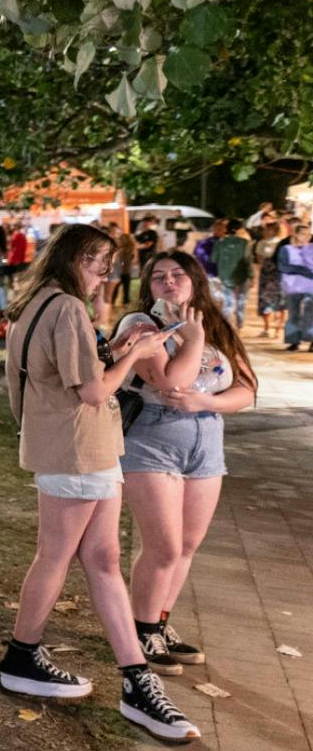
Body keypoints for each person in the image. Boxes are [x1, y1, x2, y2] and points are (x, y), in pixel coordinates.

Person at [0, 223, 197, 742]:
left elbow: (59, 372)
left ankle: (133, 678)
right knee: (58, 555)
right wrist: (136, 353)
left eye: (108, 264)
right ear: (72, 258)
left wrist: (118, 345)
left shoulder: (38, 302)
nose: (104, 273)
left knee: (100, 559)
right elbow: (92, 391)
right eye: (97, 262)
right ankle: (27, 657)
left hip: (75, 445)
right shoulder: (65, 306)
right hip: (78, 446)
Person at [116, 251, 257, 676]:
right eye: (158, 276)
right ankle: (142, 631)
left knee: (188, 545)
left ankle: (160, 623)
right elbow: (170, 381)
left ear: (196, 281)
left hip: (206, 440)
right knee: (164, 545)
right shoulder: (142, 325)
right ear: (148, 287)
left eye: (178, 274)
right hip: (153, 439)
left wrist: (205, 402)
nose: (169, 282)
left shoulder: (216, 325)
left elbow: (247, 389)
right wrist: (193, 341)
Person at [279, 222, 313, 351]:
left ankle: (312, 341)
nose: (306, 237)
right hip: (293, 287)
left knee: (311, 314)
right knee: (293, 314)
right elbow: (283, 267)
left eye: (309, 234)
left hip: (310, 287)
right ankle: (294, 341)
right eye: (303, 234)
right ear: (296, 234)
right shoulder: (286, 249)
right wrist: (304, 271)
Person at [211, 221, 251, 328]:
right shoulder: (245, 243)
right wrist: (252, 276)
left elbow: (213, 259)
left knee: (227, 301)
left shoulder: (219, 243)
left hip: (224, 276)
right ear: (239, 230)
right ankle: (239, 323)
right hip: (242, 274)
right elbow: (248, 260)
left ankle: (227, 325)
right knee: (241, 300)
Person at [252, 220, 284, 339]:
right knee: (266, 301)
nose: (266, 231)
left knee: (279, 302)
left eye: (268, 229)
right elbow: (259, 259)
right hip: (267, 275)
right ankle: (267, 328)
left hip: (277, 275)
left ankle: (277, 330)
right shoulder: (262, 243)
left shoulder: (281, 243)